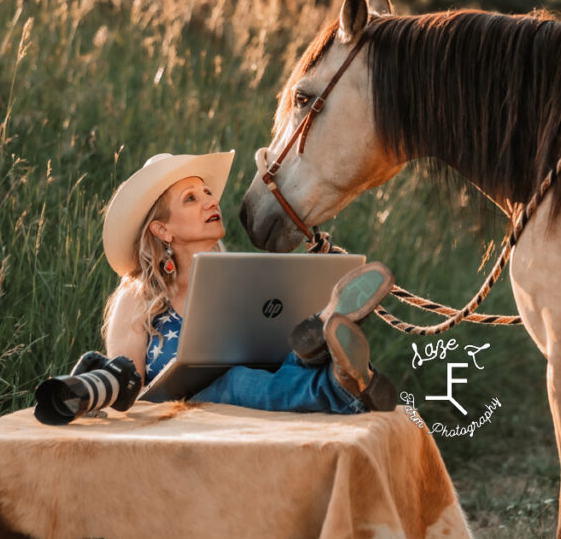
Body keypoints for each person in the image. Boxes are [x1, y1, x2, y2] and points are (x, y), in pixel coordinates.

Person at [97, 150, 397, 414]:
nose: (209, 201)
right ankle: (337, 371)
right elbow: (126, 391)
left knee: (274, 367)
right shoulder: (137, 297)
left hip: (262, 381)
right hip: (179, 408)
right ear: (162, 229)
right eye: (191, 198)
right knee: (236, 381)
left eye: (206, 192)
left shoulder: (240, 279)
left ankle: (330, 360)